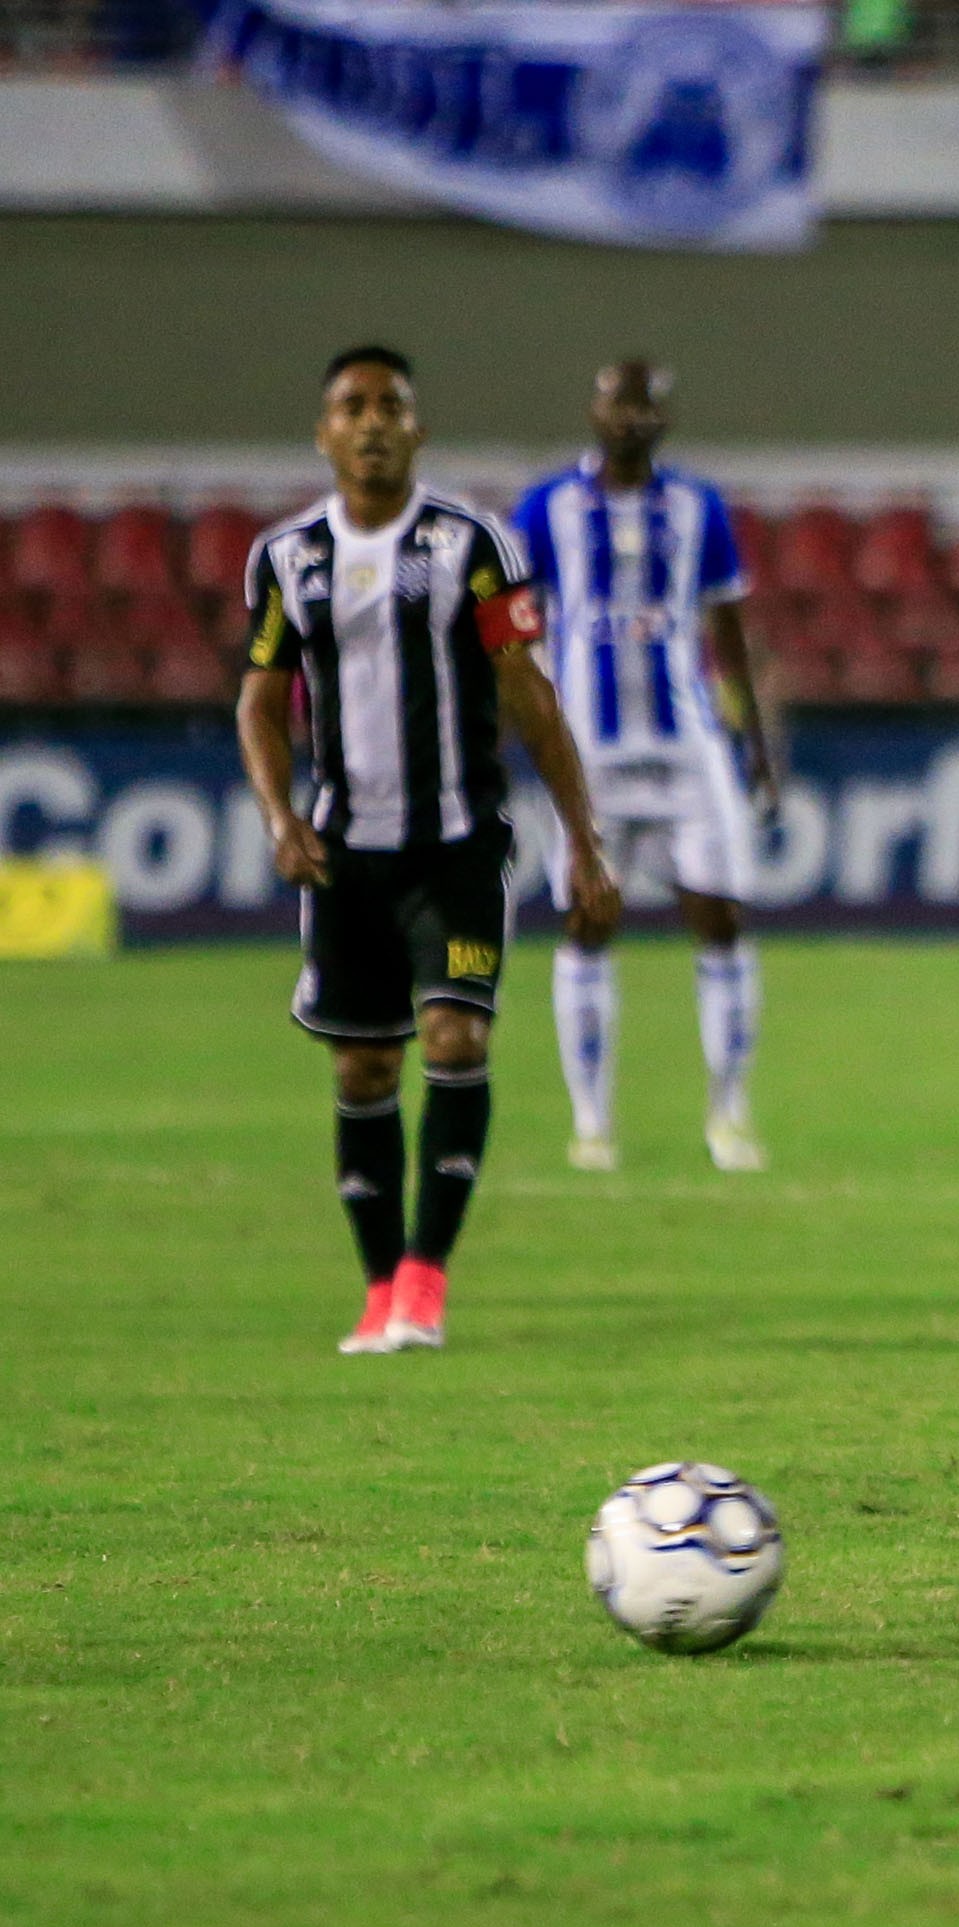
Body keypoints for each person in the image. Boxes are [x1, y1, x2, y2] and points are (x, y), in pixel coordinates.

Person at [237, 346, 620, 1355]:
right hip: (345, 856)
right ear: (324, 432)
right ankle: (376, 1287)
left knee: (456, 1040)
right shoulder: (287, 558)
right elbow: (261, 702)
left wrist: (585, 842)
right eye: (351, 406)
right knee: (364, 1069)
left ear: (418, 430)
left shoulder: (472, 544)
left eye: (390, 405)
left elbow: (527, 692)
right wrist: (280, 816)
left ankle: (427, 1276)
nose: (371, 421)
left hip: (456, 845)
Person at [512, 360, 779, 1174]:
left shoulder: (699, 507)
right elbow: (509, 630)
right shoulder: (546, 506)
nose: (630, 418)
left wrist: (755, 744)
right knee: (587, 925)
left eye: (646, 406)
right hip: (586, 752)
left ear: (665, 418)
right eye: (617, 402)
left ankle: (729, 1114)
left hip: (687, 750)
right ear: (594, 409)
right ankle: (591, 1123)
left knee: (722, 922)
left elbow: (727, 630)